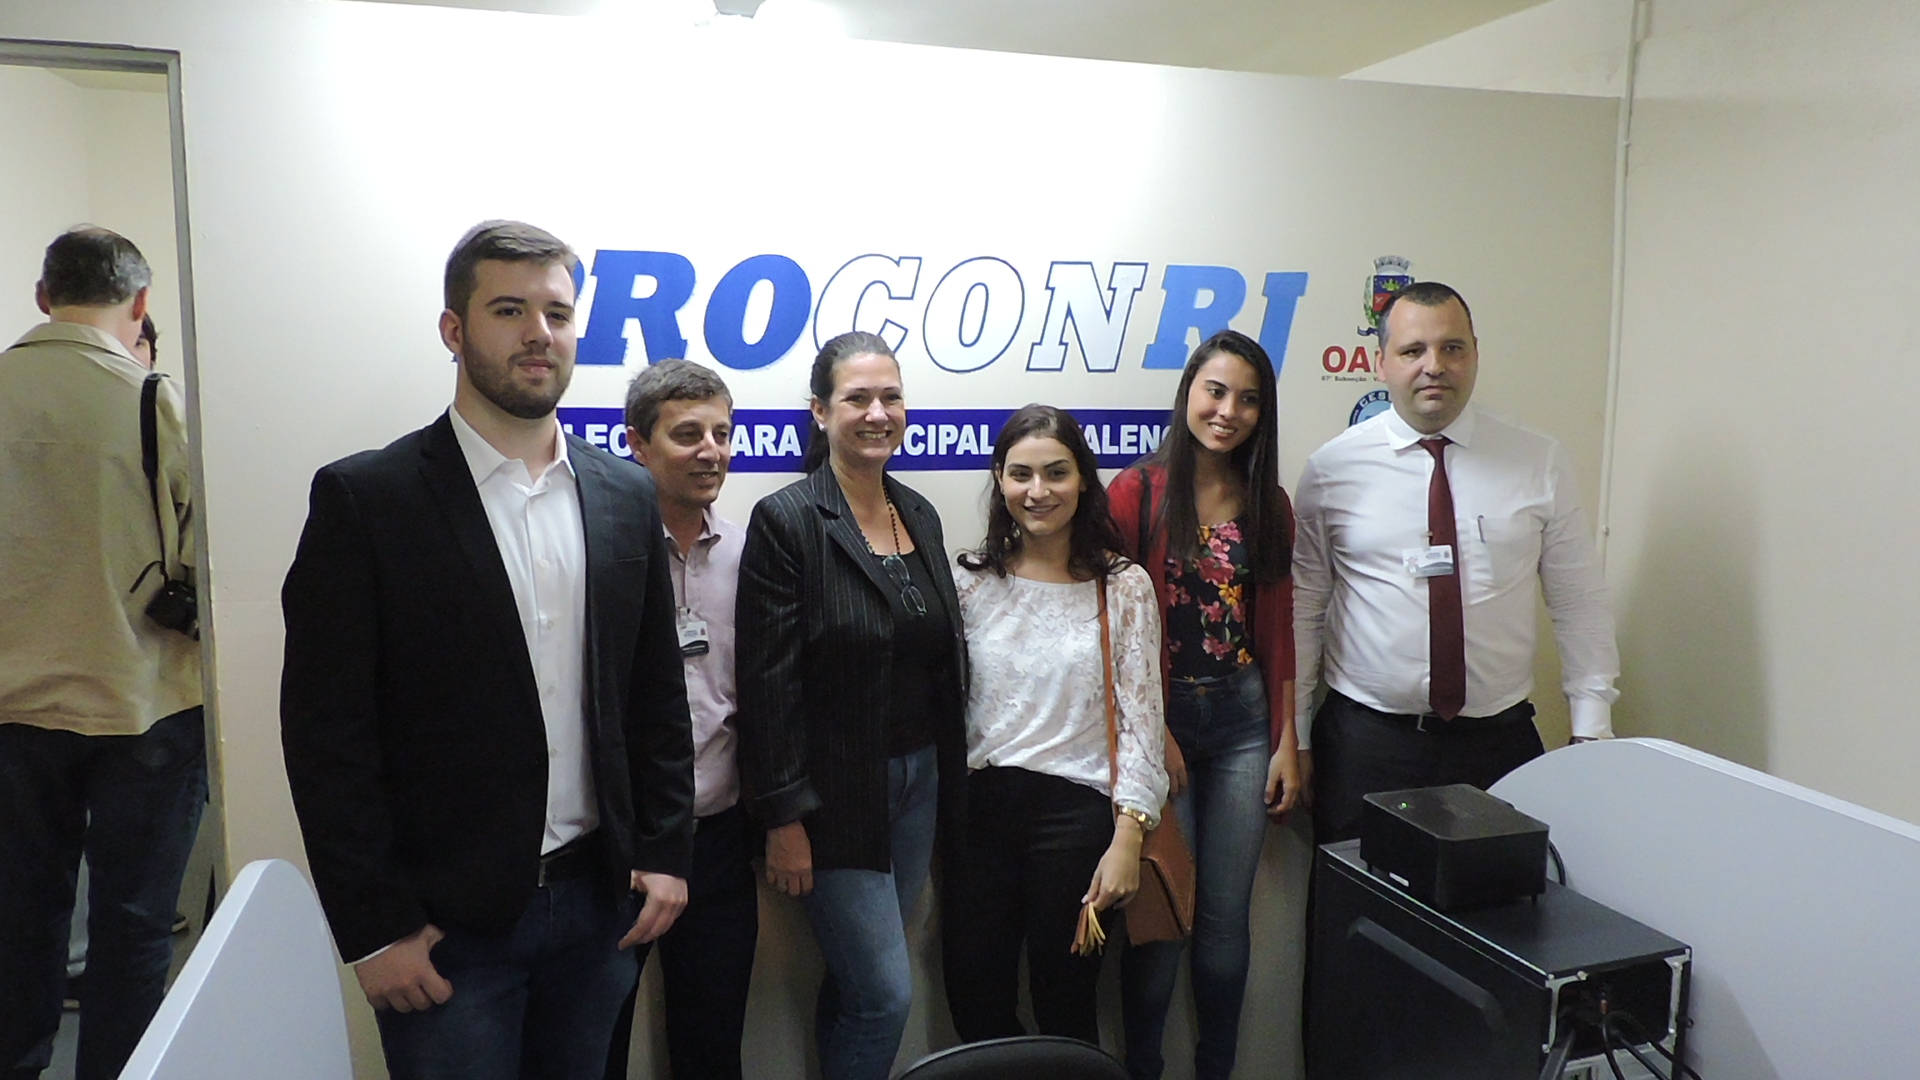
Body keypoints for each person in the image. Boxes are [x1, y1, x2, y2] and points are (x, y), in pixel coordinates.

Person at [279, 221, 695, 1080]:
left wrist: (664, 854)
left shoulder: (624, 494)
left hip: (598, 913)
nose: (538, 333)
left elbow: (655, 696)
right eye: (508, 310)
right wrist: (374, 930)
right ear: (454, 329)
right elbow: (327, 738)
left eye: (557, 313)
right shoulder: (368, 500)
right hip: (446, 935)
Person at [1293, 280, 1619, 848]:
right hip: (1366, 745)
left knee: (1501, 899)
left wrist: (1592, 726)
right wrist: (1295, 733)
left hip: (1497, 744)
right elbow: (1304, 608)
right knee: (1359, 900)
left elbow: (1578, 600)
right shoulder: (1331, 470)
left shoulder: (1537, 461)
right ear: (1381, 362)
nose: (1434, 366)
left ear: (1474, 354)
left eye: (1452, 348)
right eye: (1412, 350)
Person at [0, 227, 205, 1080]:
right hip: (141, 701)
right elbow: (197, 555)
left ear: (43, 297)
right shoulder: (152, 398)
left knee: (19, 918)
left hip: (11, 711)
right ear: (141, 302)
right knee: (134, 923)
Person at [735, 331, 966, 1080]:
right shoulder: (789, 519)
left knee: (860, 984)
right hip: (833, 799)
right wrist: (783, 819)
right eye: (857, 398)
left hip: (919, 782)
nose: (877, 413)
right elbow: (767, 683)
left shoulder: (918, 512)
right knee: (885, 995)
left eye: (890, 397)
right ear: (820, 411)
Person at [943, 404, 1167, 1045]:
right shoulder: (969, 582)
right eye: (1020, 474)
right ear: (1000, 480)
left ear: (1083, 480)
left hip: (1076, 822)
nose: (1037, 491)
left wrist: (1128, 838)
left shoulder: (1123, 586)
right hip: (979, 817)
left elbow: (1143, 722)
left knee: (1064, 1005)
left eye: (1056, 472)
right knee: (974, 1000)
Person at [1108, 329, 1300, 1080]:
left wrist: (1285, 740)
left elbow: (1277, 629)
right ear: (1188, 391)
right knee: (1161, 920)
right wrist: (1153, 735)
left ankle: (1216, 1068)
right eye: (1215, 391)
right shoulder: (1136, 493)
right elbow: (1113, 631)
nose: (1228, 411)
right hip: (1161, 729)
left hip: (1243, 724)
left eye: (1248, 400)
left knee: (1223, 923)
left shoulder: (1268, 503)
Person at [602, 360, 756, 1080]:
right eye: (688, 434)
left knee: (712, 1045)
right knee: (596, 1045)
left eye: (722, 433)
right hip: (620, 844)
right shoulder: (602, 555)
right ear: (637, 442)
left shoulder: (750, 554)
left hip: (719, 837)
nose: (711, 451)